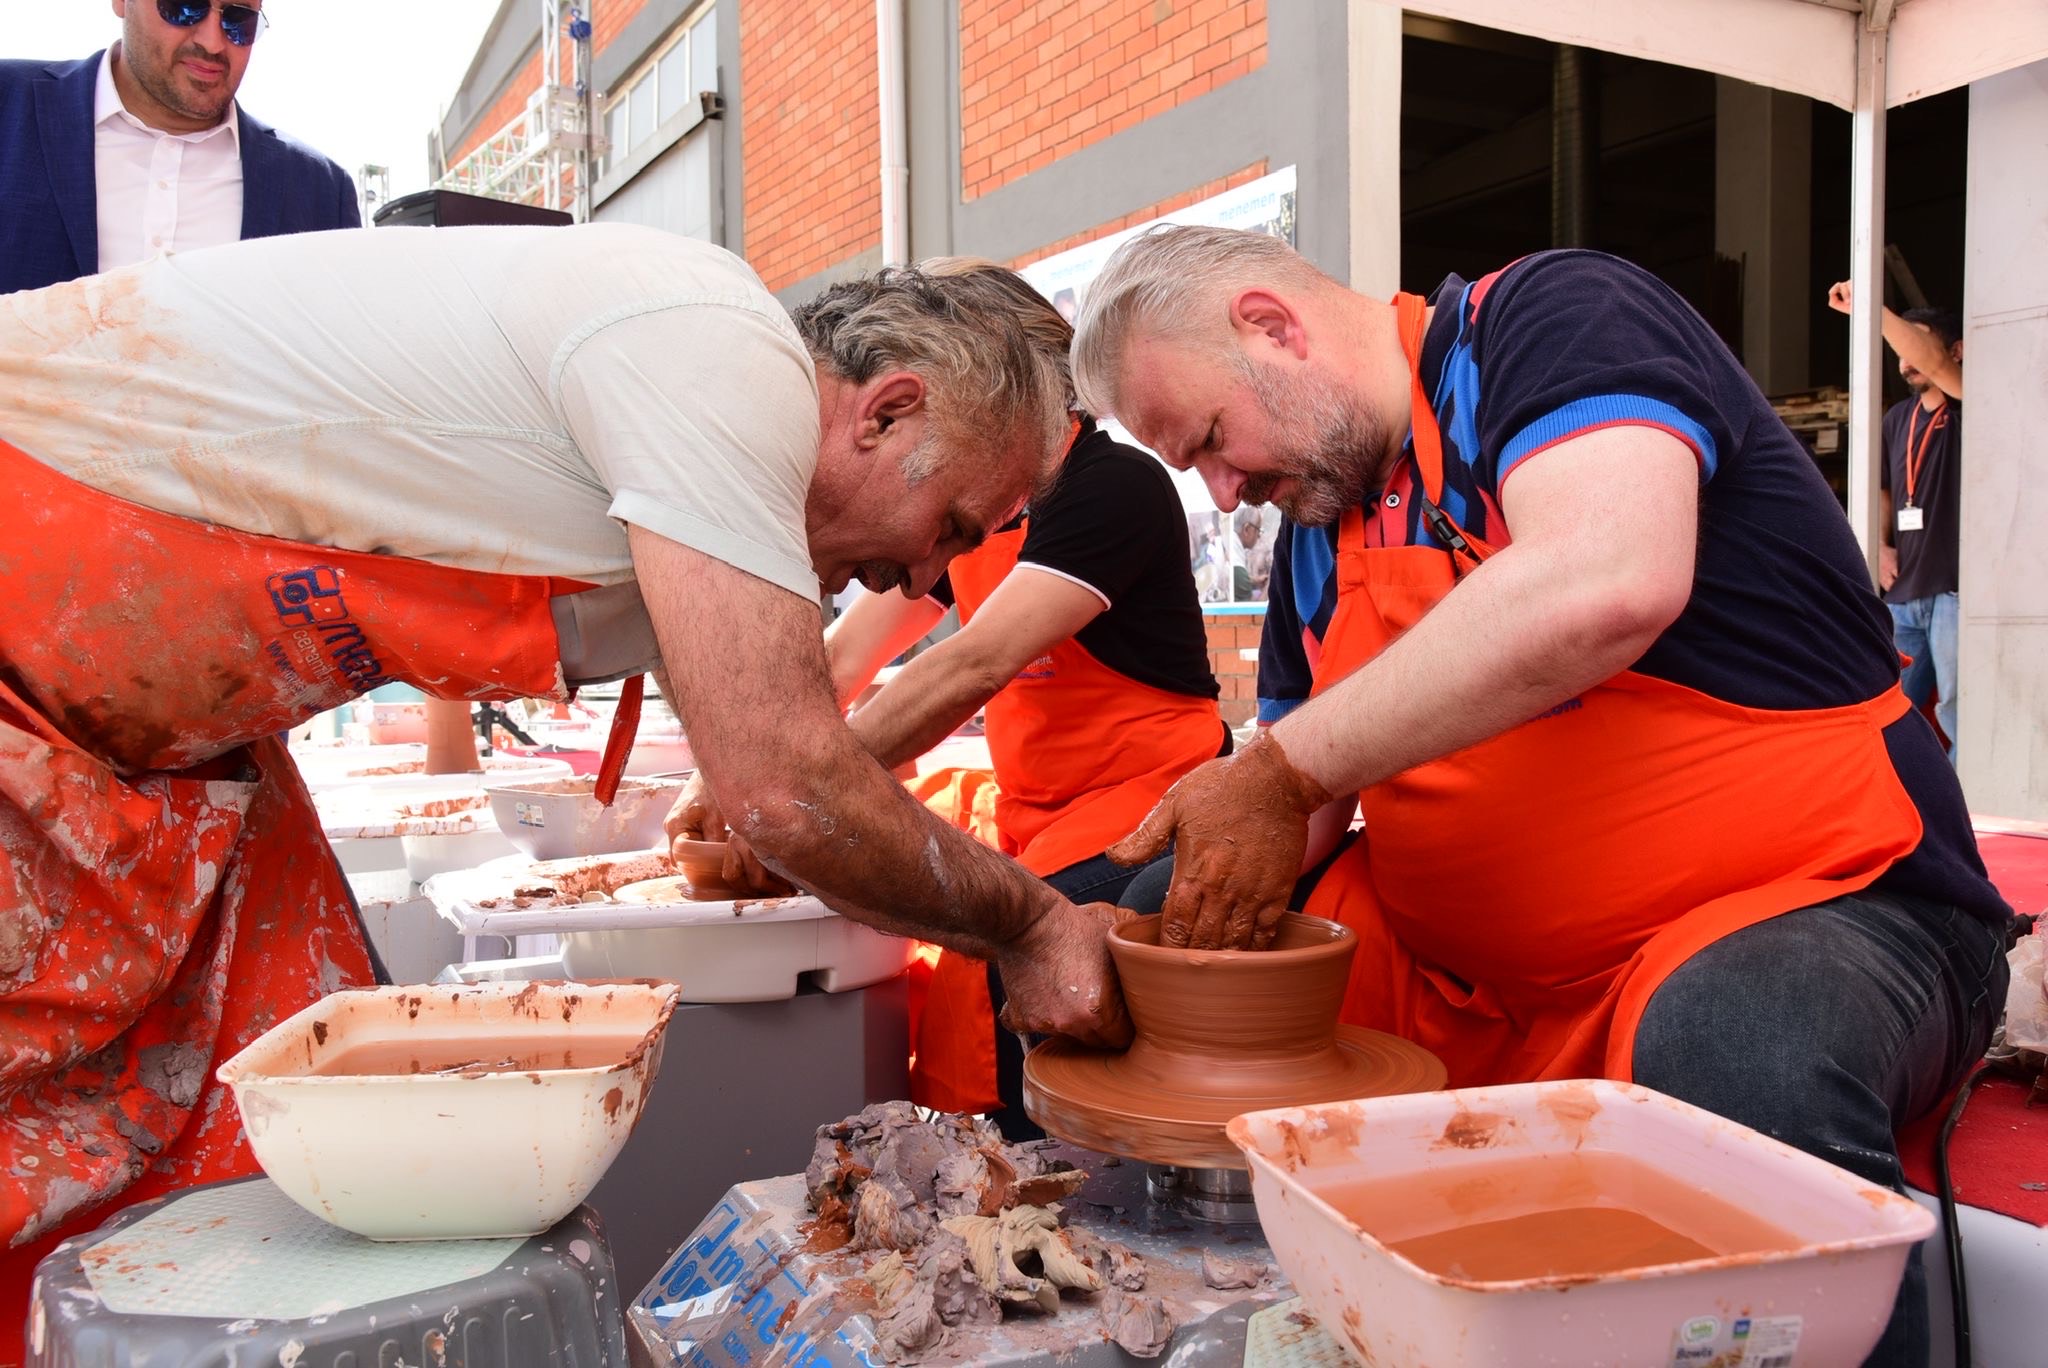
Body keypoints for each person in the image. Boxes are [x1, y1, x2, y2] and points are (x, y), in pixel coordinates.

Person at [0, 224, 1130, 1337]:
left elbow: (769, 765)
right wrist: (1027, 924)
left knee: (305, 1153)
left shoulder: (705, 450)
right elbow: (785, 788)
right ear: (886, 410)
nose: (925, 574)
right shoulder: (711, 349)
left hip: (172, 746)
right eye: (949, 527)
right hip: (34, 601)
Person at [1073, 225, 2012, 1366]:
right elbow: (1292, 813)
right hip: (1471, 976)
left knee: (1731, 1039)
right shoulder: (1322, 529)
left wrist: (1276, 771)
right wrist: (1112, 908)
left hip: (1821, 896)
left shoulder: (1545, 323)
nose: (1225, 497)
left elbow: (1609, 575)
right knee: (1143, 922)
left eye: (1212, 442)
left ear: (1272, 327)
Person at [678, 261, 1226, 1131]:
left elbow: (969, 665)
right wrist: (728, 757)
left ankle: (1029, 1175)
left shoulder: (1112, 488)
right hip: (1036, 806)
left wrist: (794, 788)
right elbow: (848, 652)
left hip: (1144, 798)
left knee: (998, 961)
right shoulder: (969, 500)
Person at [0, 1, 359, 297]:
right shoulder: (8, 106)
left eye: (238, 20)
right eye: (184, 7)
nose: (213, 42)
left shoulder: (320, 192)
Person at [1828, 281, 1965, 761]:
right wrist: (1882, 546)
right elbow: (1886, 489)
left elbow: (1936, 364)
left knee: (1956, 709)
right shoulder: (1896, 418)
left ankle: (1964, 816)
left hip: (1954, 589)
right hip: (1904, 590)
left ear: (1954, 349)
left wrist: (1872, 305)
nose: (1905, 357)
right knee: (1892, 706)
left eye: (1914, 341)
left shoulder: (1968, 401)